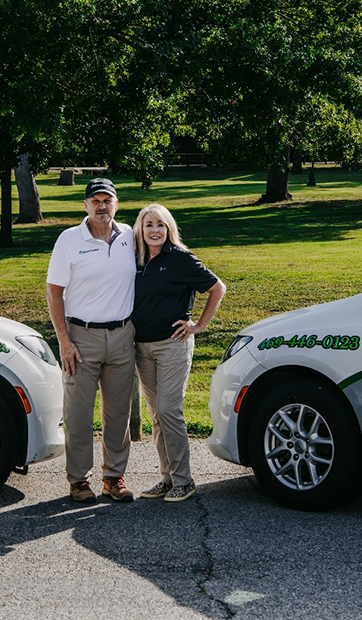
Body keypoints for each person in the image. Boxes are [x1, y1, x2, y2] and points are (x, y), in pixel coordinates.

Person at [46, 178, 137, 504]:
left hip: (123, 335)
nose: (101, 206)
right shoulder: (69, 239)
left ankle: (114, 478)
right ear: (85, 205)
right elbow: (54, 293)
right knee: (79, 414)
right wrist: (64, 341)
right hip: (81, 337)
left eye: (107, 200)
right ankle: (79, 481)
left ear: (116, 204)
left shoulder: (130, 235)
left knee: (118, 414)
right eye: (95, 200)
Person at [132, 204, 226, 502]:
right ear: (141, 228)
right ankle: (167, 477)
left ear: (169, 228)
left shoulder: (180, 259)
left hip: (172, 345)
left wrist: (198, 324)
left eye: (161, 224)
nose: (155, 230)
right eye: (149, 225)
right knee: (157, 415)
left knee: (169, 410)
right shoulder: (136, 259)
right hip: (141, 347)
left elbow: (217, 288)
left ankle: (184, 480)